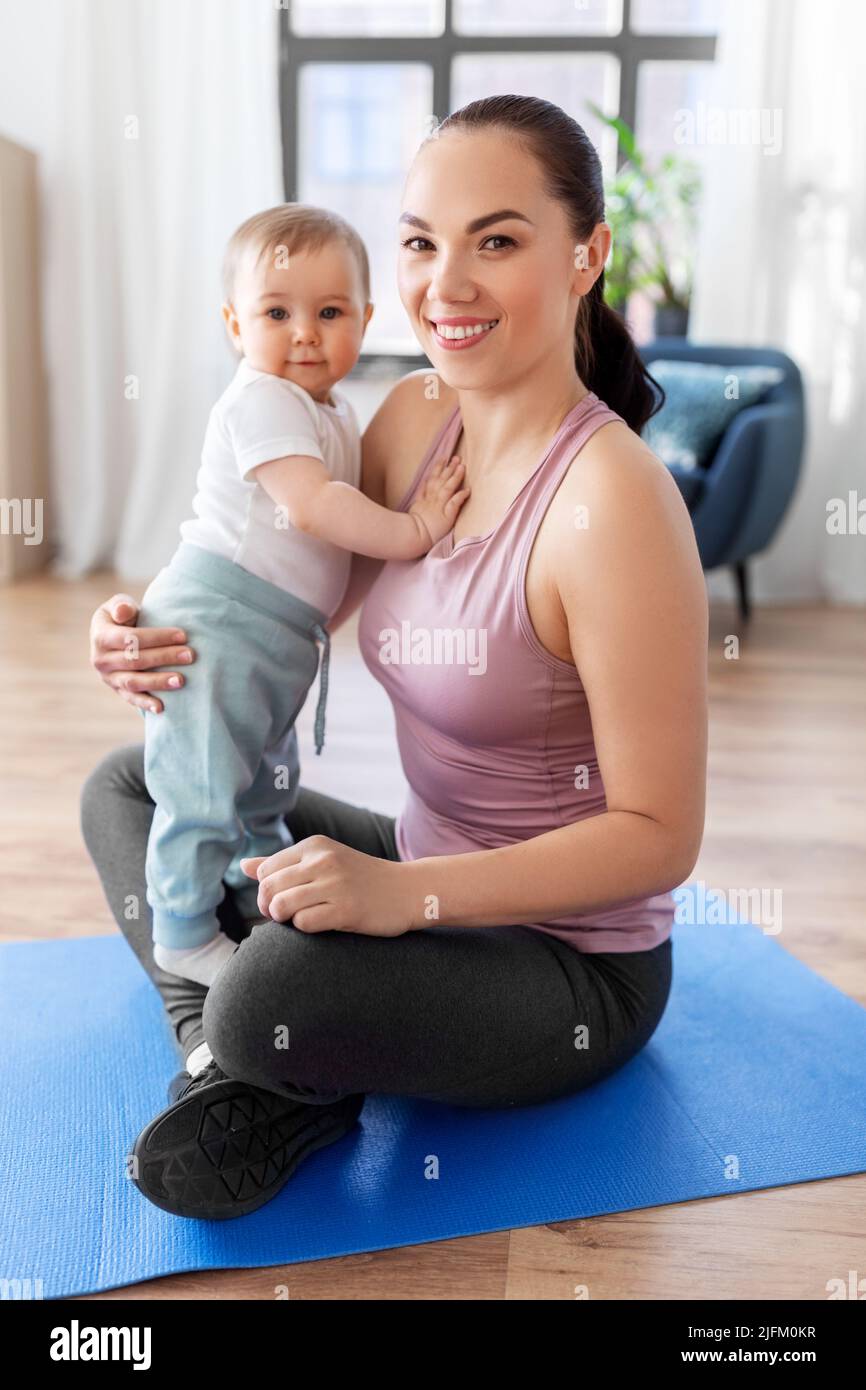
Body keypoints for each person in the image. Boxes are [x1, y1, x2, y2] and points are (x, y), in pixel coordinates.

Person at [82, 95, 708, 1222]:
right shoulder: (413, 420)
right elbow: (301, 604)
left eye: (497, 240)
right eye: (422, 242)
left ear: (586, 255)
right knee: (130, 782)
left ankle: (260, 1040)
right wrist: (154, 638)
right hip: (421, 860)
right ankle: (243, 1060)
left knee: (274, 979)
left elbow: (659, 840)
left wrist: (401, 897)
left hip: (565, 962)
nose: (445, 285)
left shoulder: (613, 502)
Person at [136, 203, 466, 993]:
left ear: (365, 318)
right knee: (201, 781)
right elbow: (317, 508)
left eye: (329, 312)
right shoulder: (262, 400)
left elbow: (331, 553)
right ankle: (181, 933)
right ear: (233, 324)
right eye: (276, 313)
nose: (305, 333)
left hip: (276, 635)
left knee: (260, 781)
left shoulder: (335, 410)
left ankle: (253, 885)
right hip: (216, 621)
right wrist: (416, 527)